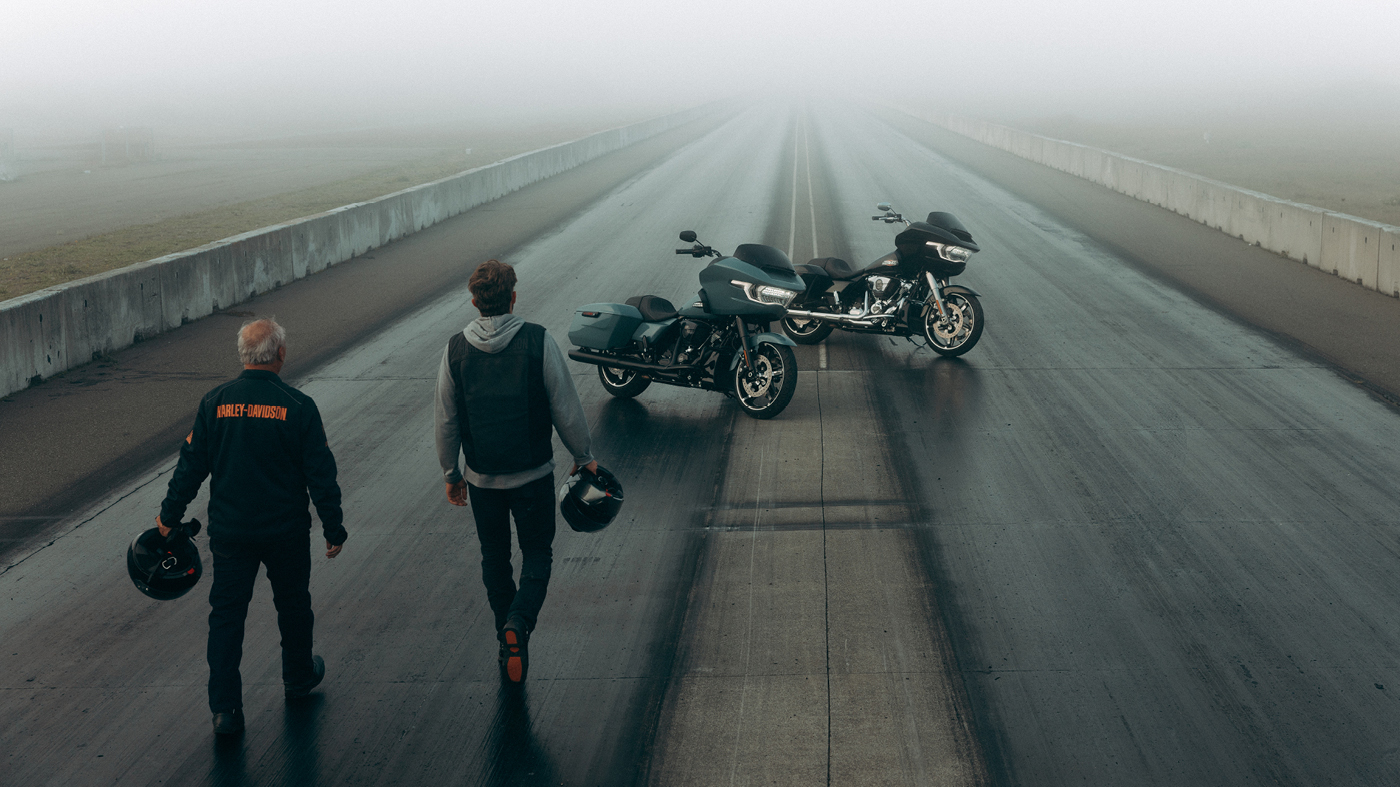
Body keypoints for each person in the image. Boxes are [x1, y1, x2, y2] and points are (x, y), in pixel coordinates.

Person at [156, 318, 346, 735]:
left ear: (244, 355)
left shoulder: (214, 403)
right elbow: (321, 475)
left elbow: (191, 468)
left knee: (226, 618)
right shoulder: (298, 406)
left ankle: (225, 710)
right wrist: (334, 528)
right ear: (280, 354)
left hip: (230, 534)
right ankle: (298, 677)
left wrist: (168, 517)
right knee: (294, 606)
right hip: (286, 532)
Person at [434, 259, 596, 684]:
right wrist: (583, 455)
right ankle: (518, 626)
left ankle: (505, 638)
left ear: (473, 302)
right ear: (514, 297)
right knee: (538, 554)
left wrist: (452, 473)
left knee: (494, 558)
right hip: (532, 476)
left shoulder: (455, 349)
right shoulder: (538, 341)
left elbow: (446, 420)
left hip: (482, 480)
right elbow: (566, 407)